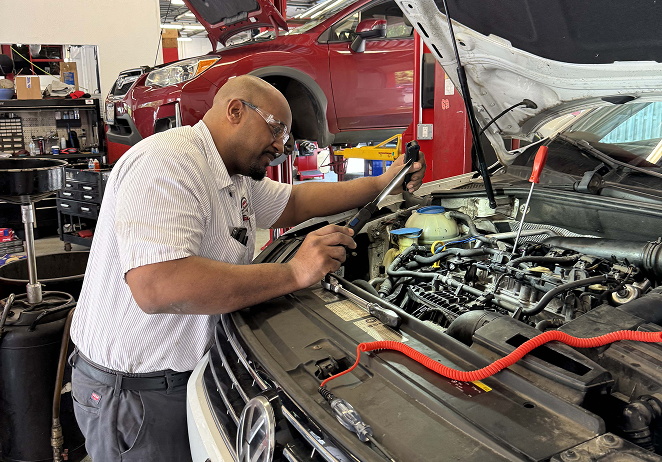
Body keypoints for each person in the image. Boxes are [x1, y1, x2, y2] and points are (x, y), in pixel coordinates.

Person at [69, 75, 426, 461]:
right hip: (138, 395)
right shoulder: (170, 163)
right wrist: (294, 272)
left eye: (286, 139)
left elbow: (295, 202)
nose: (280, 146)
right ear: (235, 111)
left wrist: (382, 183)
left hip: (189, 376)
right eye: (276, 130)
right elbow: (158, 286)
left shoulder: (231, 173)